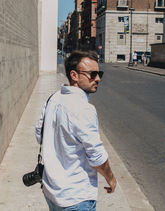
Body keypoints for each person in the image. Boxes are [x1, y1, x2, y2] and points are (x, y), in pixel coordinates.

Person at [35, 50, 117, 211]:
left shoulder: (53, 98)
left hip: (51, 192)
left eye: (99, 73)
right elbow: (97, 156)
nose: (98, 79)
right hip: (77, 198)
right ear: (74, 75)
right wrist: (111, 178)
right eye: (92, 74)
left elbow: (39, 134)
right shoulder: (84, 109)